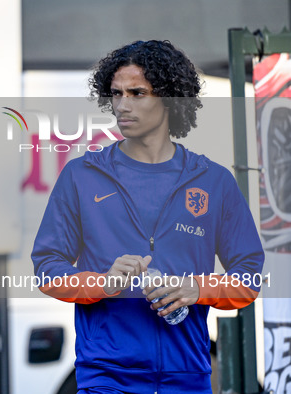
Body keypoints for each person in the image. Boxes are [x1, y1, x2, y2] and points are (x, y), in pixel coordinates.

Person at [32, 40, 264, 393]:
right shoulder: (81, 176)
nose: (123, 105)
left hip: (188, 377)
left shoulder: (214, 181)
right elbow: (47, 266)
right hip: (107, 378)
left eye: (137, 93)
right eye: (116, 93)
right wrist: (103, 283)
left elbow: (248, 277)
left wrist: (197, 288)